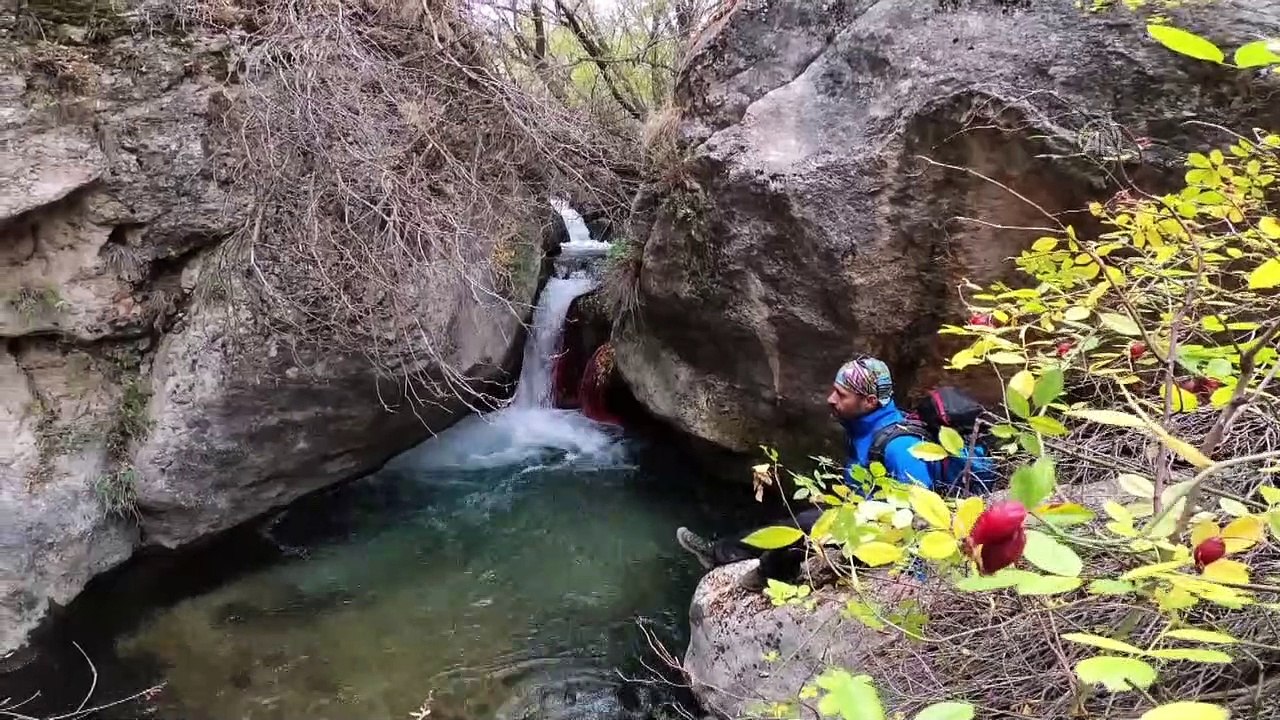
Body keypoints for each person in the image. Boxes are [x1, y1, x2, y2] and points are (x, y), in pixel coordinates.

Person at [676, 355, 932, 590]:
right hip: (859, 510)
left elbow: (924, 512)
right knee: (793, 522)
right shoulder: (866, 428)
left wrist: (915, 579)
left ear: (870, 401)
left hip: (877, 529)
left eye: (842, 394)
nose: (831, 399)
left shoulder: (901, 448)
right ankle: (723, 553)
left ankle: (755, 573)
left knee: (796, 532)